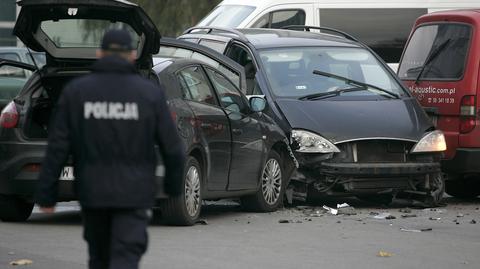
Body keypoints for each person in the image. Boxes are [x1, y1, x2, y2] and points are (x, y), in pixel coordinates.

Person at [35, 29, 186, 269]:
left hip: (93, 194)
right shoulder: (149, 94)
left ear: (100, 54)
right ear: (131, 55)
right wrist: (173, 188)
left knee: (99, 259)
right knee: (125, 258)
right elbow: (173, 147)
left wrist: (47, 192)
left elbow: (58, 146)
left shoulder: (77, 92)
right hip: (134, 195)